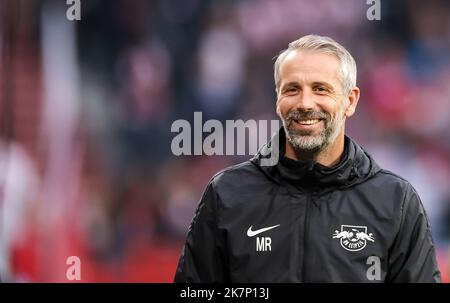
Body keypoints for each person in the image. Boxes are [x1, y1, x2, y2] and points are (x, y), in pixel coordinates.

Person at [173, 34, 442, 282]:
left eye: (320, 89)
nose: (305, 103)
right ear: (278, 100)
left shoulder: (396, 202)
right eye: (292, 89)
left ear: (350, 100)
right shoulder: (227, 194)